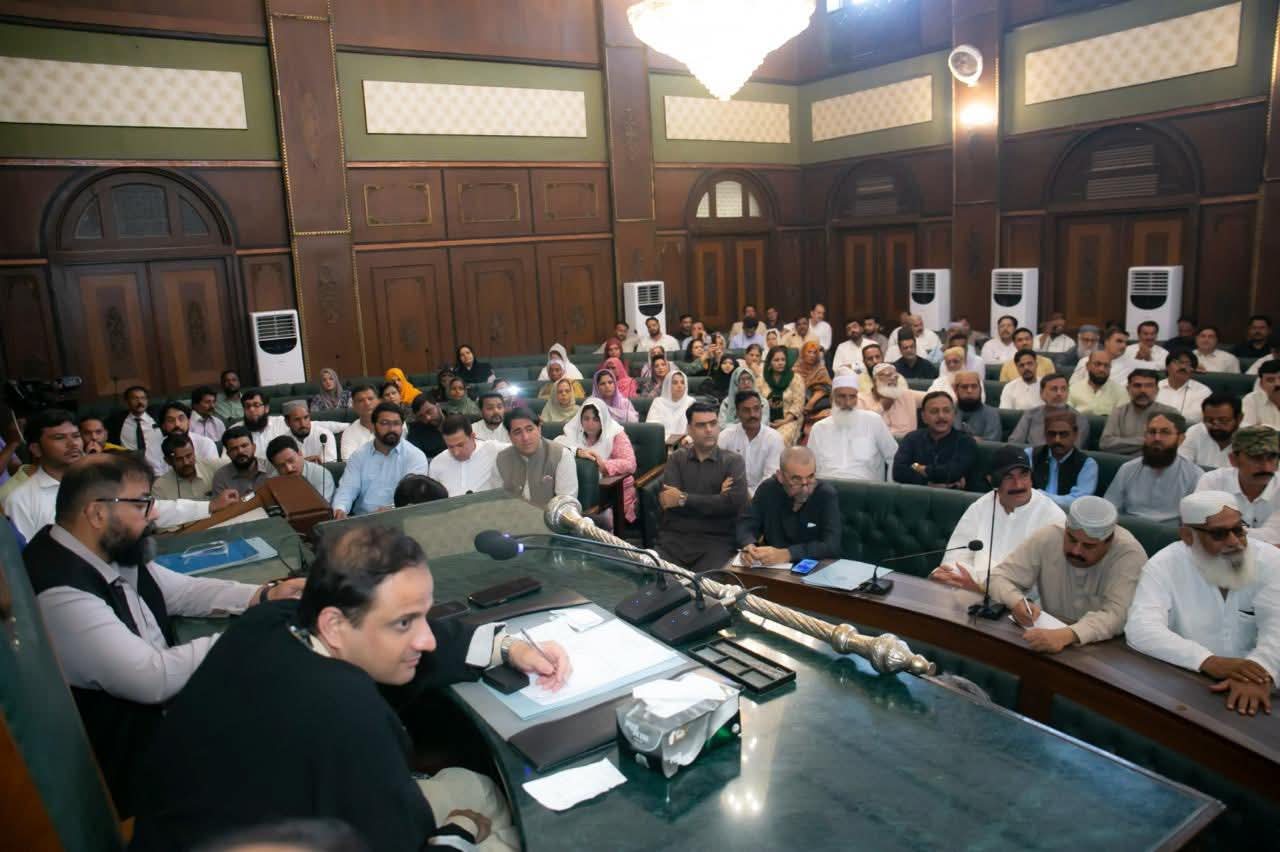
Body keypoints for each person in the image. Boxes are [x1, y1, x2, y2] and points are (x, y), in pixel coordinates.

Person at [130, 525, 568, 850]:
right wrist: (460, 830)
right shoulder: (351, 717)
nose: (427, 640)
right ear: (334, 625)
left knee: (475, 785)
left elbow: (415, 631)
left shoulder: (270, 620)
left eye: (422, 615)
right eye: (404, 623)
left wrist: (506, 646)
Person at [24, 452, 302, 815]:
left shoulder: (103, 547)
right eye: (142, 503)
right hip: (136, 768)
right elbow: (153, 677)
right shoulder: (60, 591)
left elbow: (181, 591)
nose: (153, 515)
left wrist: (262, 596)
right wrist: (254, 631)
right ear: (97, 513)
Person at [1125, 492, 1279, 716]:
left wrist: (1259, 672)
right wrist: (1207, 661)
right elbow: (1141, 628)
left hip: (1266, 686)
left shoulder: (1271, 561)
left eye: (1238, 530)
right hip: (1191, 684)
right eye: (1219, 534)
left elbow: (1277, 628)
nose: (1234, 542)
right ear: (1188, 536)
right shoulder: (1164, 565)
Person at [989, 496, 1146, 653]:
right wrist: (1016, 601)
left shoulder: (1129, 554)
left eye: (1088, 546)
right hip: (1045, 634)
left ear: (1109, 541)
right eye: (1071, 539)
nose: (1076, 551)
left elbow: (1118, 615)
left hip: (1105, 649)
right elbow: (998, 577)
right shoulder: (1049, 535)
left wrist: (1068, 635)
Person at [930, 445, 1066, 593]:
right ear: (992, 481)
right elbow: (955, 558)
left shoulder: (1053, 517)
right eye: (1008, 477)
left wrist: (982, 590)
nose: (1018, 484)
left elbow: (1047, 585)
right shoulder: (980, 507)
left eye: (1024, 475)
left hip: (1022, 602)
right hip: (970, 595)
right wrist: (951, 577)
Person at [656, 402, 749, 572]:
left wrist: (683, 499)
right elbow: (669, 502)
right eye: (701, 425)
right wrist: (717, 498)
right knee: (656, 580)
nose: (709, 430)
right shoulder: (677, 459)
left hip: (717, 542)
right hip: (675, 539)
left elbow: (733, 504)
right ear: (689, 430)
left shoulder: (733, 462)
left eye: (713, 423)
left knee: (707, 585)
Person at [735, 446, 840, 565]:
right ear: (780, 476)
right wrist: (748, 546)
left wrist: (788, 554)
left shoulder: (825, 494)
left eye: (810, 477)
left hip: (813, 567)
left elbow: (832, 546)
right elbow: (746, 524)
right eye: (796, 479)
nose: (805, 488)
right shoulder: (768, 489)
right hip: (770, 567)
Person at [332, 403, 429, 518]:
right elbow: (347, 489)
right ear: (373, 426)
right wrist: (340, 509)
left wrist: (391, 510)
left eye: (396, 424)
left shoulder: (415, 456)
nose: (391, 429)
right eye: (384, 423)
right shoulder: (359, 456)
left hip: (402, 518)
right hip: (364, 520)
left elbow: (413, 498)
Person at [1104, 413, 1203, 523]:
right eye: (1152, 432)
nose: (1157, 438)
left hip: (1171, 532)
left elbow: (1194, 521)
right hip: (1129, 529)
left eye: (1165, 432)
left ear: (1181, 439)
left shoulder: (1195, 475)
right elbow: (1109, 509)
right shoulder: (1127, 469)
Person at [3, 408, 85, 541]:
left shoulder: (100, 482)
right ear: (36, 449)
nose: (73, 444)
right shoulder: (20, 500)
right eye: (59, 438)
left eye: (76, 436)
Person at [556, 398, 637, 524]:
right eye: (586, 418)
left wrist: (602, 465)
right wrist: (578, 451)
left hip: (611, 488)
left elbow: (630, 464)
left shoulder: (615, 433)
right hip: (579, 486)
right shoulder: (574, 432)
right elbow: (556, 445)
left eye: (595, 419)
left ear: (603, 419)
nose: (590, 423)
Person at [808, 376, 897, 482]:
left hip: (865, 487)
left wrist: (889, 487)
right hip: (827, 484)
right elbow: (810, 466)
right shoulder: (819, 428)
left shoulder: (873, 421)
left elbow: (894, 456)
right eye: (842, 396)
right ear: (832, 399)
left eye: (852, 397)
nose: (848, 403)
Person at [1194, 426, 1279, 527]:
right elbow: (1201, 528)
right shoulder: (1213, 482)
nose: (1266, 467)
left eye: (1272, 457)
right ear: (1233, 459)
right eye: (1256, 458)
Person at [495, 408, 577, 508]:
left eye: (530, 429)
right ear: (510, 436)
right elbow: (496, 500)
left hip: (548, 517)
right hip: (512, 515)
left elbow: (566, 505)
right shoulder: (502, 458)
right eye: (517, 432)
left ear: (539, 429)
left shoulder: (561, 455)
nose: (525, 438)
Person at [893, 392, 976, 489]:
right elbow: (898, 472)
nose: (941, 416)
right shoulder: (912, 439)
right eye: (934, 411)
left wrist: (919, 467)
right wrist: (928, 484)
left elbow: (954, 472)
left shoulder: (965, 441)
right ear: (923, 417)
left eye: (946, 411)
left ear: (954, 414)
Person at [1026, 409, 1099, 509]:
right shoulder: (1030, 454)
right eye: (1052, 434)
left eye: (1063, 434)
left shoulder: (1087, 464)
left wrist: (1039, 495)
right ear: (1045, 434)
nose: (1057, 440)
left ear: (1075, 434)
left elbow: (1078, 501)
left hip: (1066, 515)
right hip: (1033, 511)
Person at [717, 390, 783, 496]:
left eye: (756, 409)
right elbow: (719, 471)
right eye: (746, 410)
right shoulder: (725, 436)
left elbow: (771, 478)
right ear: (737, 413)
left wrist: (750, 496)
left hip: (764, 496)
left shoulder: (774, 438)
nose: (752, 414)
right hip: (731, 495)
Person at [1099, 370, 1179, 456]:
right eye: (1137, 385)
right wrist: (1149, 440)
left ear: (1156, 390)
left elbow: (1175, 444)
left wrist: (1125, 445)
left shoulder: (1171, 413)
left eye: (1149, 386)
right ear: (1128, 389)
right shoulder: (1118, 412)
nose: (1142, 390)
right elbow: (1105, 444)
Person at [1008, 375, 1091, 447]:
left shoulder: (1079, 419)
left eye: (1063, 389)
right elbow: (1014, 443)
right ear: (1041, 393)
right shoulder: (1031, 414)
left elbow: (1074, 450)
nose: (1059, 393)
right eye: (1054, 389)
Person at [428, 416, 502, 497]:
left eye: (460, 445)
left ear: (472, 437)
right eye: (450, 447)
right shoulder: (437, 463)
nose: (456, 452)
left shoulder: (493, 449)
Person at [152, 434, 235, 504]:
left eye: (189, 456)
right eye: (179, 459)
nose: (186, 462)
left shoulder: (216, 466)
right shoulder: (160, 487)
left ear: (194, 452)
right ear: (168, 461)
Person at [265, 434, 337, 504]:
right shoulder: (273, 480)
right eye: (281, 466)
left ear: (300, 454)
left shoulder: (321, 475)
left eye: (291, 460)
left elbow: (321, 507)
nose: (289, 469)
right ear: (275, 467)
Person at [858, 362, 919, 438]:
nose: (893, 378)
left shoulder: (906, 395)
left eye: (895, 376)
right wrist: (881, 407)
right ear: (874, 380)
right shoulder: (861, 400)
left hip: (908, 443)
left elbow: (931, 396)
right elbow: (861, 427)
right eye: (888, 375)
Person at [1180, 392, 1240, 469]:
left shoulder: (1249, 437)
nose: (1216, 426)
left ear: (1239, 418)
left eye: (1223, 420)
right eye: (1209, 420)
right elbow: (1183, 468)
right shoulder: (1195, 432)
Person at [760, 345, 804, 446]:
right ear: (770, 362)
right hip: (765, 419)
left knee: (779, 440)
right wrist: (766, 404)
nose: (780, 363)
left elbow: (798, 404)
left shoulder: (795, 378)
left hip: (789, 420)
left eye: (783, 360)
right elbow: (757, 400)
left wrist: (784, 421)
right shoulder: (762, 379)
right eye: (776, 360)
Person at [212, 426, 272, 498]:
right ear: (228, 454)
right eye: (234, 449)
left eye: (244, 446)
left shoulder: (270, 467)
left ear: (254, 447)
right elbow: (221, 504)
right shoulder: (221, 477)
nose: (240, 451)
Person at [1068, 350, 1128, 416]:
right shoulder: (1073, 390)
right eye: (1097, 364)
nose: (1102, 369)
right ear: (1088, 366)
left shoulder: (1121, 392)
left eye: (1106, 365)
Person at [1157, 350, 1210, 423]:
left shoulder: (1203, 391)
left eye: (1188, 364)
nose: (1183, 367)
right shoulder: (1155, 387)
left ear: (1192, 370)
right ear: (1167, 367)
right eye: (1178, 362)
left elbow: (1198, 418)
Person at [646, 368, 694, 445]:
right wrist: (668, 441)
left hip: (685, 444)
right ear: (668, 385)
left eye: (682, 382)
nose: (679, 386)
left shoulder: (690, 402)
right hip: (661, 443)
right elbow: (651, 427)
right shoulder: (658, 402)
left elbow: (696, 428)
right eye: (675, 383)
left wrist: (688, 439)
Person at [240, 389, 289, 463]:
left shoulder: (282, 423)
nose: (251, 409)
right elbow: (226, 460)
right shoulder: (236, 430)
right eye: (247, 406)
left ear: (266, 408)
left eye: (256, 405)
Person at [953, 371, 1002, 441]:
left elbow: (991, 444)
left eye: (974, 386)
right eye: (964, 387)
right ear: (955, 390)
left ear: (980, 389)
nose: (969, 391)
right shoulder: (948, 411)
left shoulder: (991, 413)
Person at [335, 385, 379, 459]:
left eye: (370, 399)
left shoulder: (392, 425)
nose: (367, 403)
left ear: (378, 402)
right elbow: (349, 462)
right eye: (361, 400)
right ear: (354, 406)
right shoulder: (349, 433)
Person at [793, 340, 832, 421]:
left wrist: (811, 402)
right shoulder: (795, 369)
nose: (812, 355)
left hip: (818, 403)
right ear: (803, 353)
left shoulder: (821, 370)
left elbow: (827, 388)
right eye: (809, 352)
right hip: (798, 400)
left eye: (815, 353)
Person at [117, 385, 157, 456]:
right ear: (126, 401)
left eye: (143, 398)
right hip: (129, 461)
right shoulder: (115, 421)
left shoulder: (158, 416)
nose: (140, 402)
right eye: (135, 398)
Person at [1242, 360, 1280, 428]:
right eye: (1270, 380)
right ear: (1261, 384)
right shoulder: (1251, 400)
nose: (1277, 384)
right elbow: (1247, 429)